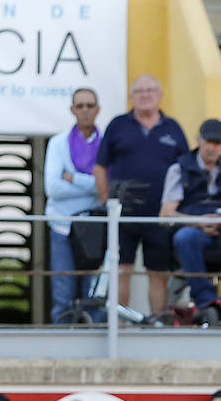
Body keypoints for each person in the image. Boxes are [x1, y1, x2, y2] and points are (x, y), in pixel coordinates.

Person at [94, 75, 188, 319]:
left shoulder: (173, 128)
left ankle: (157, 325)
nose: (145, 95)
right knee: (121, 269)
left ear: (160, 94)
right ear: (131, 97)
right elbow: (100, 166)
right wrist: (106, 200)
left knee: (157, 272)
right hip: (123, 214)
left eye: (150, 90)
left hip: (159, 215)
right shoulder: (118, 125)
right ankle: (120, 325)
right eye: (139, 91)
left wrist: (175, 206)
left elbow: (187, 170)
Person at [161, 119, 221, 321]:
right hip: (194, 229)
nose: (212, 147)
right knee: (185, 237)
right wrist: (198, 222)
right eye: (208, 141)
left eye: (217, 143)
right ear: (198, 140)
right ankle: (206, 302)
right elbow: (165, 215)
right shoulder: (178, 169)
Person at [44, 87, 101, 323]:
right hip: (62, 226)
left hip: (96, 228)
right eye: (80, 106)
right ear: (72, 110)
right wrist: (94, 185)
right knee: (63, 294)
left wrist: (73, 178)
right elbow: (53, 188)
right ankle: (60, 352)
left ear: (97, 109)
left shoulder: (106, 143)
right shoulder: (58, 143)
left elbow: (106, 187)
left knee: (96, 294)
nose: (85, 110)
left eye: (90, 105)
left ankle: (101, 354)